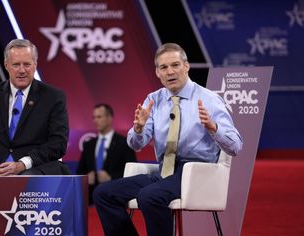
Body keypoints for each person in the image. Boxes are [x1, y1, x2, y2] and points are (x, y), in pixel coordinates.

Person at [93, 43, 243, 236]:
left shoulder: (209, 99)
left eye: (175, 65)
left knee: (150, 196)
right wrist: (138, 129)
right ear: (157, 72)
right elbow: (136, 145)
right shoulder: (153, 100)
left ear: (186, 66)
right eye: (164, 67)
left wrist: (214, 128)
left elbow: (236, 146)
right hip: (164, 172)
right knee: (103, 194)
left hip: (196, 173)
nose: (170, 72)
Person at [0, 39, 70, 236]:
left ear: (35, 64)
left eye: (27, 64)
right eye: (16, 64)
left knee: (23, 191)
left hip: (32, 168)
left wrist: (22, 164)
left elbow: (58, 143)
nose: (22, 70)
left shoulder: (53, 97)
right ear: (6, 65)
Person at [77, 103, 137, 204]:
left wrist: (111, 177)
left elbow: (132, 171)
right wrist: (86, 178)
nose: (95, 120)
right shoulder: (88, 145)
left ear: (109, 118)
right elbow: (80, 171)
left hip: (115, 197)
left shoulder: (124, 143)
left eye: (99, 117)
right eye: (94, 117)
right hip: (90, 200)